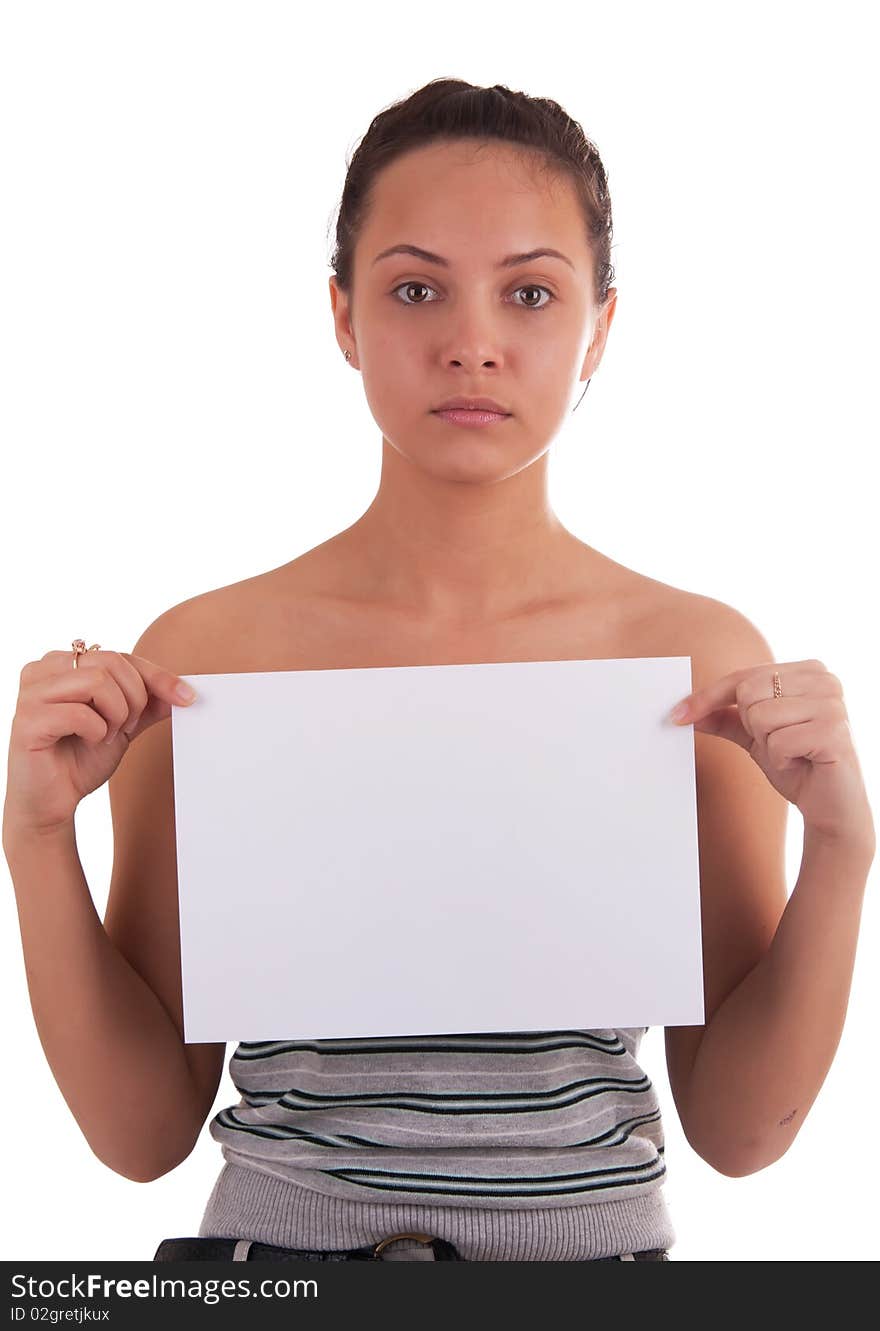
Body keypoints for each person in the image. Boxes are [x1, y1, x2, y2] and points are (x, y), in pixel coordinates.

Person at [3, 78, 874, 1265]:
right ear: (345, 317)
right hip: (274, 1278)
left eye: (529, 292)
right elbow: (141, 1126)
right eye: (416, 289)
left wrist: (841, 847)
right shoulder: (213, 660)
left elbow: (738, 1128)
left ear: (600, 330)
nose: (472, 340)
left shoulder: (690, 662)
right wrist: (38, 838)